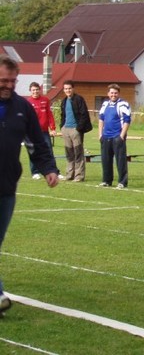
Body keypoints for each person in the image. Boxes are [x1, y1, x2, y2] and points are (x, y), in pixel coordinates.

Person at [0, 55, 59, 314]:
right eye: (4, 80)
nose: (8, 85)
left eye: (12, 81)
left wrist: (48, 169)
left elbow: (37, 142)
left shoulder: (22, 108)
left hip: (6, 187)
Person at [98, 84, 131, 188]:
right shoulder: (105, 104)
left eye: (115, 93)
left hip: (117, 136)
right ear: (108, 93)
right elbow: (101, 119)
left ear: (118, 93)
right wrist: (100, 134)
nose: (113, 95)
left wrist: (122, 136)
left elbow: (127, 120)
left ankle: (122, 182)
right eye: (111, 93)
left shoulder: (123, 104)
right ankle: (106, 181)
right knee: (106, 160)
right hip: (106, 137)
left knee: (120, 161)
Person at [25, 81, 60, 180]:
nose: (35, 92)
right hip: (33, 132)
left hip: (44, 132)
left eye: (37, 89)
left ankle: (54, 171)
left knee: (49, 151)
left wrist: (52, 128)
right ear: (30, 91)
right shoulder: (27, 102)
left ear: (39, 90)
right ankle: (35, 172)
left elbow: (49, 114)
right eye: (33, 90)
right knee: (33, 152)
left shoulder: (45, 100)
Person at [60, 80, 92, 182]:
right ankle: (69, 175)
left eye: (69, 88)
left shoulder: (79, 99)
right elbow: (62, 115)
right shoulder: (64, 101)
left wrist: (78, 128)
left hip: (75, 130)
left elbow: (84, 114)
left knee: (78, 153)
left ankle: (79, 176)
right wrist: (62, 127)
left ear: (73, 88)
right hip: (66, 130)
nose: (68, 90)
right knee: (69, 153)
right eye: (66, 89)